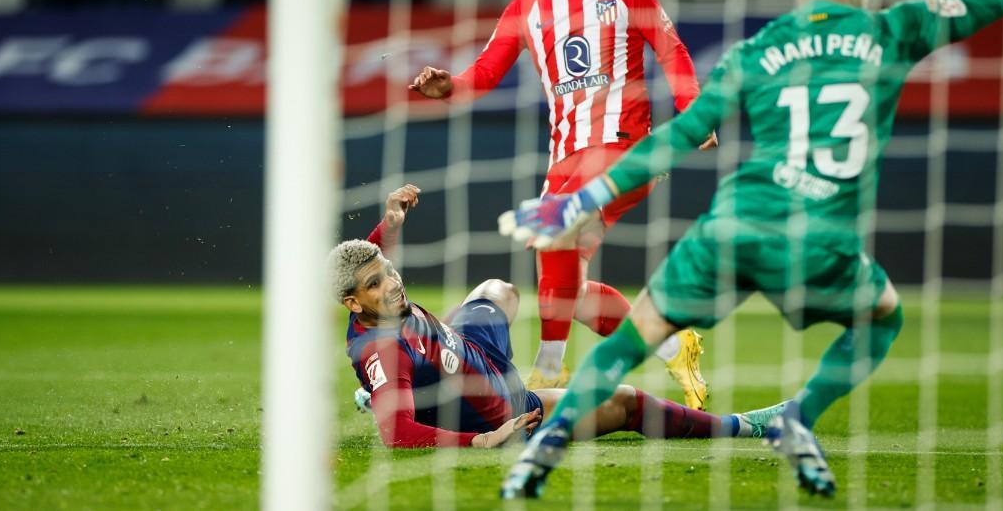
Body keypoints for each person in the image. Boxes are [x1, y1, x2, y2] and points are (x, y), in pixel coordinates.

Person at [498, 0, 1003, 499]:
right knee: (883, 316)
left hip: (732, 226)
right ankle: (799, 415)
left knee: (634, 337)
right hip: (818, 237)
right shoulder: (895, 30)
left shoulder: (754, 50)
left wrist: (577, 202)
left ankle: (539, 452)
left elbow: (680, 135)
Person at [409, 0, 715, 407]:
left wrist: (693, 110)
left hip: (626, 145)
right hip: (565, 159)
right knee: (564, 288)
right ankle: (671, 343)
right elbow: (484, 73)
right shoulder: (526, 5)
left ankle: (550, 369)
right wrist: (448, 88)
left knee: (552, 233)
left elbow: (673, 49)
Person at [334, 184, 787, 448]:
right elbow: (396, 434)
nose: (392, 284)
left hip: (471, 349)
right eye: (376, 286)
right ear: (354, 303)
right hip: (503, 405)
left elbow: (371, 265)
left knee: (499, 290)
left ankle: (384, 391)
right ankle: (749, 426)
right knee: (625, 399)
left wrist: (390, 224)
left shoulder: (376, 295)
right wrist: (480, 441)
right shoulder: (384, 350)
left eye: (388, 273)